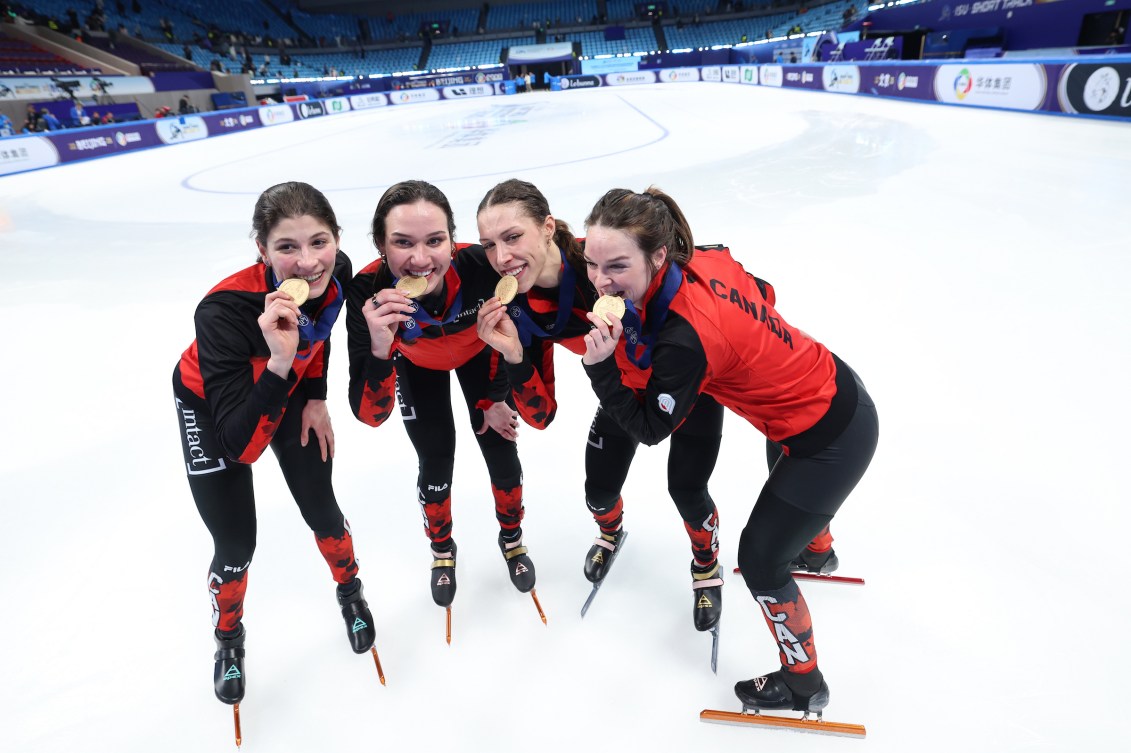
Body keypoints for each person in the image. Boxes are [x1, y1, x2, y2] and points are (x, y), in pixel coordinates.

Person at [577, 187, 878, 715]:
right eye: (592, 264)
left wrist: (602, 370)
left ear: (658, 256)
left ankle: (804, 684)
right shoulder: (706, 255)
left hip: (830, 439)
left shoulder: (683, 341)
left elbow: (650, 429)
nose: (601, 281)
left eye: (617, 266)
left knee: (760, 563)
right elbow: (764, 289)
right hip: (821, 385)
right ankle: (818, 550)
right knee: (782, 473)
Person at [474, 179, 726, 633]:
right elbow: (542, 415)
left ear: (548, 227)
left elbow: (702, 287)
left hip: (689, 387)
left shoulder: (605, 258)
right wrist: (513, 357)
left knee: (688, 491)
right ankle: (610, 532)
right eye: (489, 245)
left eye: (513, 237)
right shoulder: (520, 306)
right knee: (598, 492)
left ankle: (705, 564)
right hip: (620, 390)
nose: (502, 257)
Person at [172, 181, 376, 709]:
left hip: (287, 387)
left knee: (323, 510)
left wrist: (313, 393)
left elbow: (323, 330)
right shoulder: (222, 312)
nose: (307, 263)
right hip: (214, 408)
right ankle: (229, 639)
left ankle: (351, 593)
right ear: (261, 250)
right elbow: (240, 446)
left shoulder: (339, 271)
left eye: (319, 242)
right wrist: (282, 363)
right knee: (236, 544)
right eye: (287, 247)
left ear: (336, 240)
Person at [344, 180, 537, 617]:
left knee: (501, 449)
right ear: (379, 245)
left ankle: (512, 539)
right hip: (417, 368)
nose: (420, 259)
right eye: (402, 243)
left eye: (435, 240)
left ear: (453, 240)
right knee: (435, 459)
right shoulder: (367, 292)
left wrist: (498, 396)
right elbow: (370, 415)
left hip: (479, 360)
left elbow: (513, 338)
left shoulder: (482, 267)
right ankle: (442, 549)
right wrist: (378, 347)